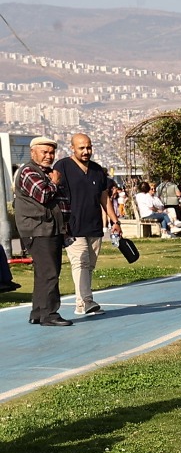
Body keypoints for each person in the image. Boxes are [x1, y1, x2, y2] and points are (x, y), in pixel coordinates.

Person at [53, 133, 120, 317]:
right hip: (72, 226)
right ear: (72, 148)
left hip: (94, 226)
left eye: (88, 147)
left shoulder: (98, 170)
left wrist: (115, 221)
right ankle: (87, 300)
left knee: (89, 265)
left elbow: (104, 197)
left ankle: (81, 305)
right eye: (81, 148)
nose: (86, 151)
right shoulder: (63, 166)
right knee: (80, 263)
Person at [14, 137, 71, 325]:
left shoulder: (46, 172)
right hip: (38, 229)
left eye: (51, 152)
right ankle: (50, 315)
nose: (49, 156)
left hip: (49, 228)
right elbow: (43, 195)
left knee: (43, 272)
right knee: (50, 273)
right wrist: (54, 182)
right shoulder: (29, 171)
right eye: (44, 152)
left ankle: (38, 312)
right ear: (33, 153)